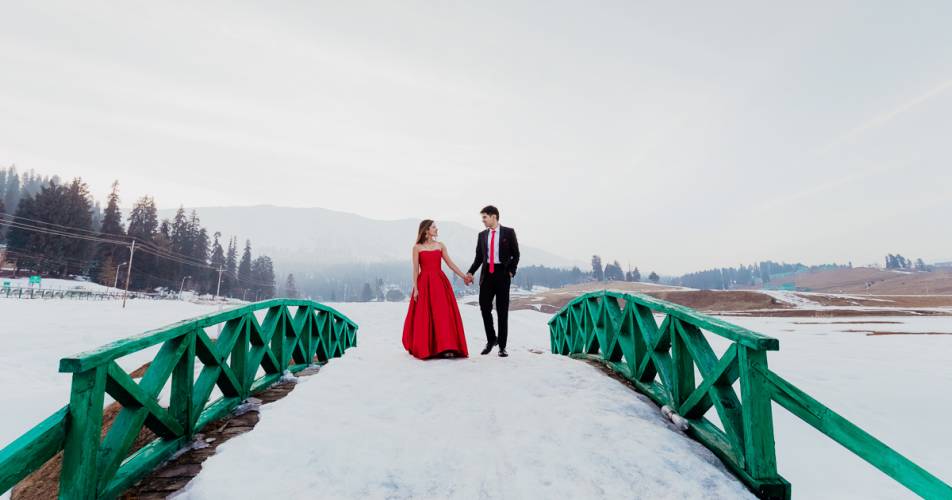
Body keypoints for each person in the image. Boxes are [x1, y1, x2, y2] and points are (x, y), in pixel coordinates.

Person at [402, 219, 470, 359]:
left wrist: (463, 276)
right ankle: (428, 348)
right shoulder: (417, 248)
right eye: (434, 227)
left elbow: (450, 264)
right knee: (425, 316)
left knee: (443, 314)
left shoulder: (440, 245)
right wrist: (416, 288)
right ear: (426, 230)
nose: (436, 229)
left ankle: (447, 347)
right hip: (424, 284)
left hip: (440, 283)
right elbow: (415, 270)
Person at [464, 205, 520, 357]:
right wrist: (470, 272)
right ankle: (491, 339)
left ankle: (502, 347)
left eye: (485, 217)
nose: (483, 220)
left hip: (503, 275)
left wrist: (511, 271)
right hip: (487, 275)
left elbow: (516, 254)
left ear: (494, 216)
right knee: (484, 307)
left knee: (502, 311)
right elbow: (478, 258)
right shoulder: (482, 235)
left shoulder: (509, 232)